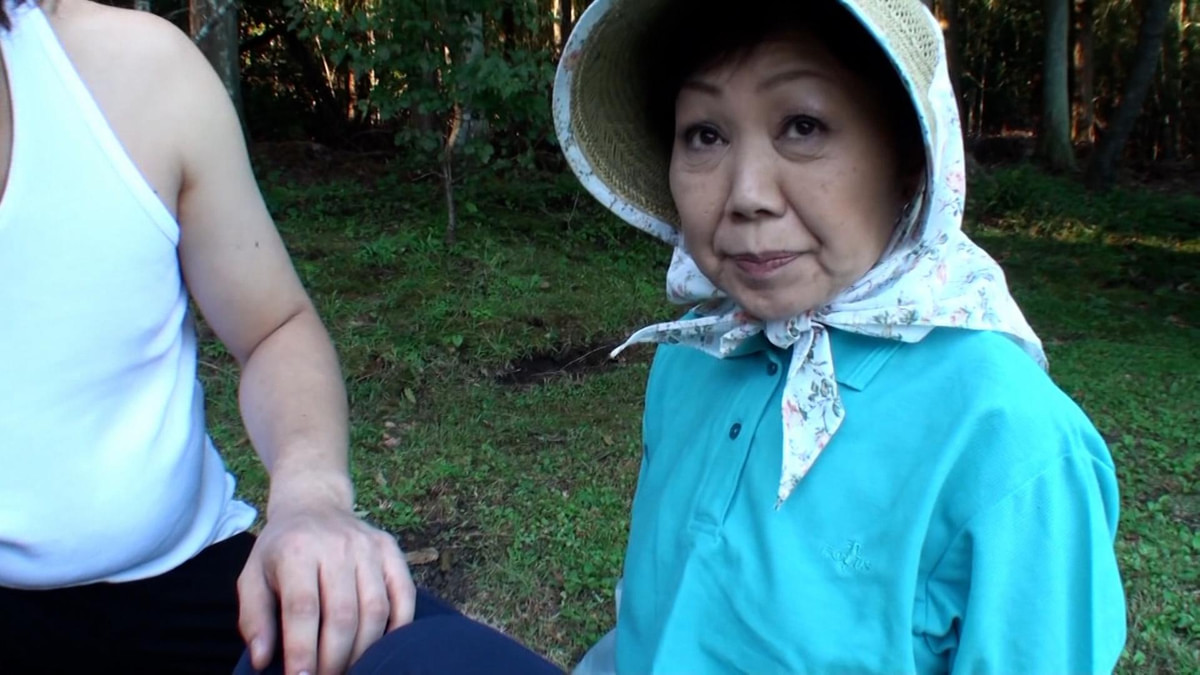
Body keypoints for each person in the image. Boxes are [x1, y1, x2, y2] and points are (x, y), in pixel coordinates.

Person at [552, 0, 1128, 672]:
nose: (747, 194)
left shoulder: (1011, 443)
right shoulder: (692, 354)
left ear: (910, 157)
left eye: (803, 126)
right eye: (705, 135)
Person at [0, 1, 414, 673]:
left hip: (190, 588)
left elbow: (275, 328)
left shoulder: (140, 74)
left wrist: (311, 499)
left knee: (437, 655)